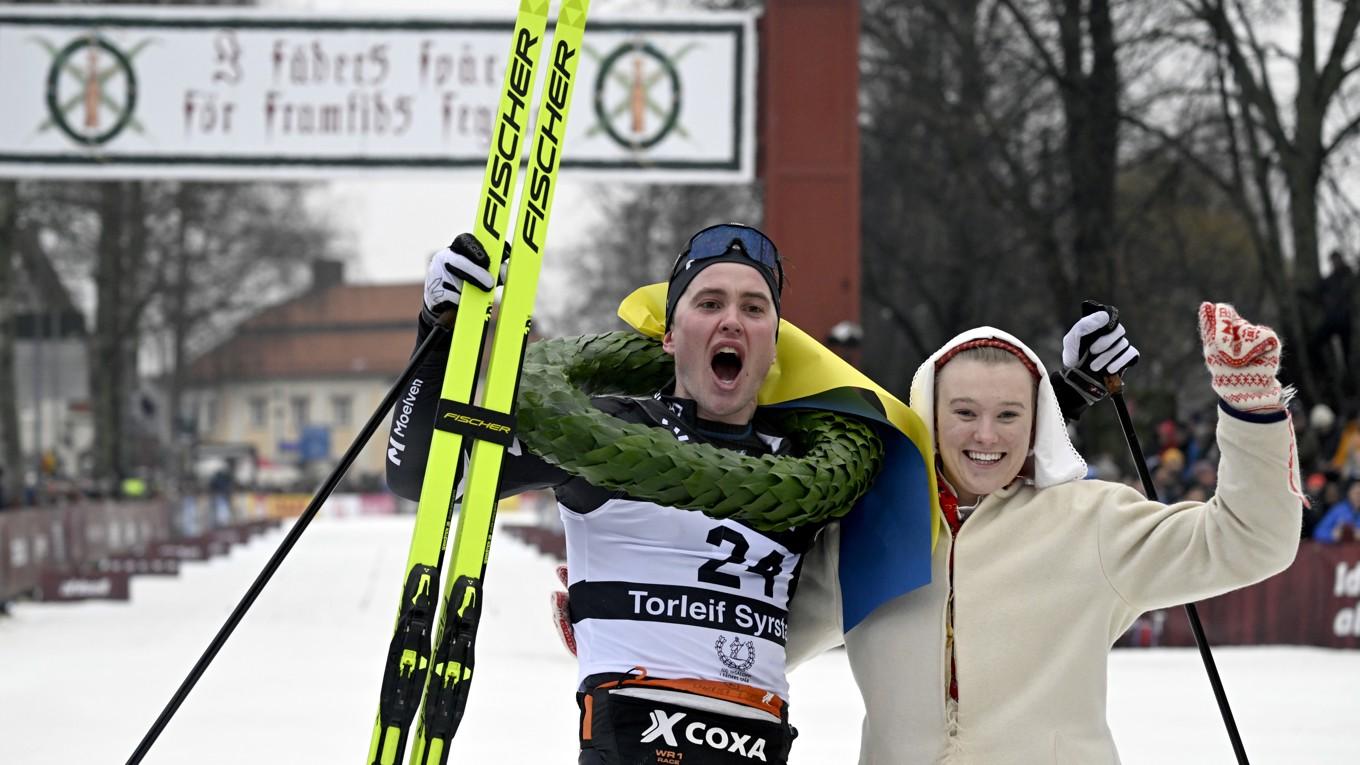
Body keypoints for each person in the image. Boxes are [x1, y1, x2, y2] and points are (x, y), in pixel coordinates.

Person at [787, 302, 1304, 764]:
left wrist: (1251, 409)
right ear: (928, 416)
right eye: (964, 413)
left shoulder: (1089, 524)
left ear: (1037, 423)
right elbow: (763, 638)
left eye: (1009, 415)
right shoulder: (867, 534)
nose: (986, 435)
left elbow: (1249, 539)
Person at [389, 224, 811, 764]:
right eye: (709, 303)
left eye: (754, 308)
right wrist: (439, 331)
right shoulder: (605, 434)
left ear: (774, 345)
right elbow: (421, 476)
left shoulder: (805, 468)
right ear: (670, 336)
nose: (731, 319)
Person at [1311, 479, 1360, 543]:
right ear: (1349, 493)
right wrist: (1332, 535)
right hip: (1339, 549)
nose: (1358, 497)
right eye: (1357, 493)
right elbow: (1318, 533)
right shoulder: (1338, 509)